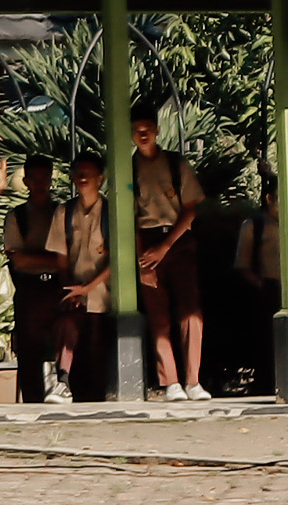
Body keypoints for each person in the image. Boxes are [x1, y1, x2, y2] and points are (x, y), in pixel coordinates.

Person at [131, 109, 208, 399]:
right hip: (146, 241)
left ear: (157, 130)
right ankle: (171, 382)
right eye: (136, 129)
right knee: (158, 315)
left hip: (177, 239)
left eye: (147, 127)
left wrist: (166, 246)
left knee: (191, 312)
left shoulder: (176, 164)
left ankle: (193, 380)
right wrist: (142, 261)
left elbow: (191, 209)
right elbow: (128, 218)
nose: (142, 134)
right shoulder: (129, 170)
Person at [2, 157, 75, 404]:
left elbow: (71, 257)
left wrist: (39, 259)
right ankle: (32, 402)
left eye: (45, 177)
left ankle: (64, 385)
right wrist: (54, 259)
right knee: (28, 346)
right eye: (34, 178)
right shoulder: (17, 216)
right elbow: (18, 260)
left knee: (67, 331)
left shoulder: (63, 213)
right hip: (29, 287)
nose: (40, 183)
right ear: (25, 181)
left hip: (58, 284)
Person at [62, 155, 115, 399]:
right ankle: (65, 385)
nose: (83, 178)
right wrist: (70, 289)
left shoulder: (111, 213)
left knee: (96, 349)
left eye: (89, 173)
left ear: (100, 178)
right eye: (79, 173)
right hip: (73, 293)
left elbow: (119, 259)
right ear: (72, 177)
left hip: (103, 294)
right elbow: (59, 255)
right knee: (71, 336)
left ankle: (97, 400)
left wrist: (89, 288)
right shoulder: (65, 213)